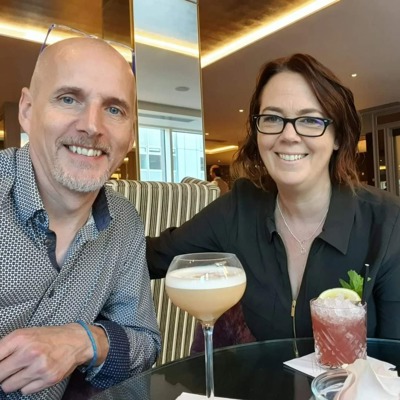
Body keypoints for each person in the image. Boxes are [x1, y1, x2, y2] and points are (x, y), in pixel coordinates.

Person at [147, 53, 400, 351]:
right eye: (272, 118)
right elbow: (149, 257)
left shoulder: (387, 223)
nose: (288, 135)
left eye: (310, 120)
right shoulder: (239, 209)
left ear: (337, 137)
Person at [0, 37, 161, 399]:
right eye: (69, 99)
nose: (92, 126)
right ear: (27, 110)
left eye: (114, 110)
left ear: (131, 136)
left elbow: (144, 343)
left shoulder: (124, 222)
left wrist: (84, 340)